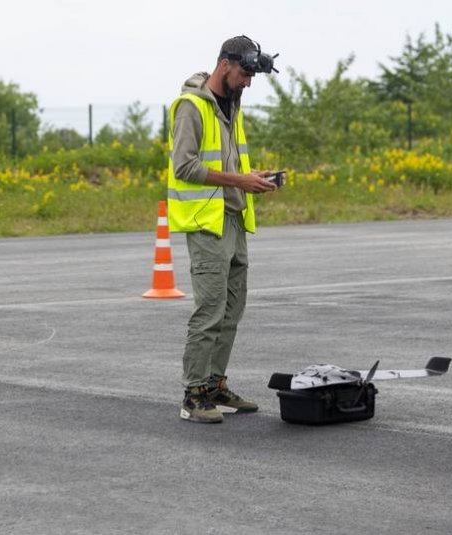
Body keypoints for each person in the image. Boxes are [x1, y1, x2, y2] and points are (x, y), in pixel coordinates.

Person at [168, 35, 279, 423]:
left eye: (252, 75)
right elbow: (184, 166)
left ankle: (215, 385)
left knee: (232, 310)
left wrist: (251, 177)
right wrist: (239, 182)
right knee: (210, 309)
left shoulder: (230, 107)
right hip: (206, 222)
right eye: (246, 73)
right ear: (225, 64)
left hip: (233, 219)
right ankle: (194, 394)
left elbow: (226, 166)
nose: (248, 82)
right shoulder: (191, 107)